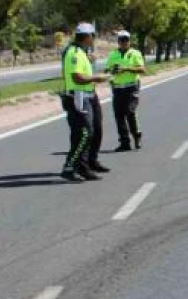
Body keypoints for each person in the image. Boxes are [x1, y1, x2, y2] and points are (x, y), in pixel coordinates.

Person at [59, 22, 111, 182]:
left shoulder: (82, 52)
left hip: (89, 94)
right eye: (93, 36)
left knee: (96, 129)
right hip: (78, 96)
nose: (94, 39)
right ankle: (70, 166)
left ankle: (88, 163)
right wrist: (98, 77)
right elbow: (77, 77)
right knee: (84, 132)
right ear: (87, 37)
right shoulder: (74, 53)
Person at [106, 30, 146, 151]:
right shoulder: (113, 54)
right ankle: (124, 142)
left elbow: (142, 69)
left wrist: (126, 68)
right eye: (121, 40)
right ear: (118, 41)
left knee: (130, 112)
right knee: (119, 115)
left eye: (126, 40)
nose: (123, 42)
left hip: (131, 87)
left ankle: (136, 135)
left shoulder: (135, 53)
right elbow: (108, 70)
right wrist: (111, 71)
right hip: (117, 88)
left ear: (129, 41)